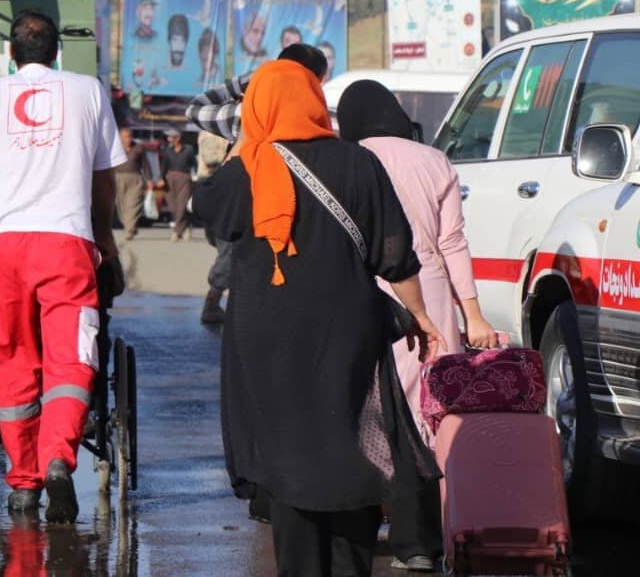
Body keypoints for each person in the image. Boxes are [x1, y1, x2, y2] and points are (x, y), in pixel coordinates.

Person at [194, 59, 442, 577]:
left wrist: (249, 142)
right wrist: (420, 315)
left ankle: (301, 563)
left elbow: (212, 212)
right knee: (350, 429)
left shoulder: (250, 167)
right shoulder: (358, 163)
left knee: (287, 443)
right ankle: (352, 561)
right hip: (346, 325)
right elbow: (393, 252)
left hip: (266, 333)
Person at [0, 10, 125, 524]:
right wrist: (105, 241)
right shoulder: (88, 91)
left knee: (12, 357)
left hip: (6, 247)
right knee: (70, 359)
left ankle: (23, 482)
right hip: (66, 241)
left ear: (11, 53)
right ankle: (57, 459)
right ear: (56, 53)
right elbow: (103, 183)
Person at [336, 79, 497, 572]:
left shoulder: (347, 157)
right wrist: (472, 313)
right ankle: (419, 541)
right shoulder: (435, 160)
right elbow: (453, 243)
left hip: (362, 287)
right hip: (427, 291)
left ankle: (359, 527)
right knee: (422, 412)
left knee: (365, 406)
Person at [185, 43, 328, 142]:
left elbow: (194, 109)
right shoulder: (329, 122)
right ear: (319, 80)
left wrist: (249, 80)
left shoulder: (248, 115)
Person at [197, 129, 232, 324]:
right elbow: (211, 159)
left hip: (217, 188)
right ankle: (212, 303)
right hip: (220, 187)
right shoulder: (216, 132)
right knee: (228, 250)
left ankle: (217, 302)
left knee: (227, 250)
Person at [158, 128, 196, 242]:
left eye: (171, 137)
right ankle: (186, 226)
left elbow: (194, 164)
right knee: (173, 206)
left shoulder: (189, 149)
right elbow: (163, 166)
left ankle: (176, 232)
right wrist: (161, 178)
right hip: (170, 179)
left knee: (182, 205)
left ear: (178, 138)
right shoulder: (167, 151)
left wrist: (194, 178)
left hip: (184, 178)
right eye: (168, 137)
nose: (169, 139)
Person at [114, 128, 149, 241]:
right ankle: (131, 226)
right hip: (118, 178)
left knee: (133, 204)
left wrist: (149, 180)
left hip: (135, 179)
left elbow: (145, 165)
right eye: (124, 137)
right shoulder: (115, 148)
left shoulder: (139, 147)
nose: (127, 139)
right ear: (120, 137)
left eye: (129, 136)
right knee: (122, 206)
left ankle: (129, 230)